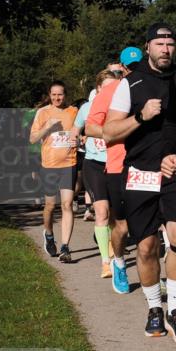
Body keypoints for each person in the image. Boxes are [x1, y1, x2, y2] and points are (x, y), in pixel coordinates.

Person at [104, 25, 176, 342]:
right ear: (148, 47)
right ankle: (155, 308)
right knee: (145, 247)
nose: (166, 49)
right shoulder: (130, 84)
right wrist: (140, 116)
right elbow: (109, 132)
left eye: (170, 43)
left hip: (175, 172)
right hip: (140, 172)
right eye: (159, 43)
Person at [85, 48, 142, 294]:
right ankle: (117, 262)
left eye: (137, 66)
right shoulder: (110, 91)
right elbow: (90, 128)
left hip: (148, 166)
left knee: (150, 227)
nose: (132, 71)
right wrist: (115, 131)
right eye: (128, 67)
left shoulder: (153, 86)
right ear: (121, 67)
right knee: (122, 226)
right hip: (118, 165)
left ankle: (155, 275)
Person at [75, 69, 122, 278]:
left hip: (116, 164)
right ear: (98, 88)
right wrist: (78, 139)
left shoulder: (122, 107)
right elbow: (75, 131)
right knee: (101, 212)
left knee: (115, 215)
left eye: (115, 87)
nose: (111, 91)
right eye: (107, 87)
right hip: (94, 164)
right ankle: (105, 262)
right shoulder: (86, 108)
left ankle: (113, 247)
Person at [29, 80, 79, 262]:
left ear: (65, 95)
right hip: (49, 165)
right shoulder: (43, 112)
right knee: (50, 206)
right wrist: (47, 127)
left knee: (67, 204)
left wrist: (78, 141)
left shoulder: (74, 111)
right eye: (54, 95)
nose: (57, 98)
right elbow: (33, 139)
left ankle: (65, 247)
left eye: (60, 94)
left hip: (69, 163)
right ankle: (49, 234)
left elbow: (81, 134)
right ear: (49, 95)